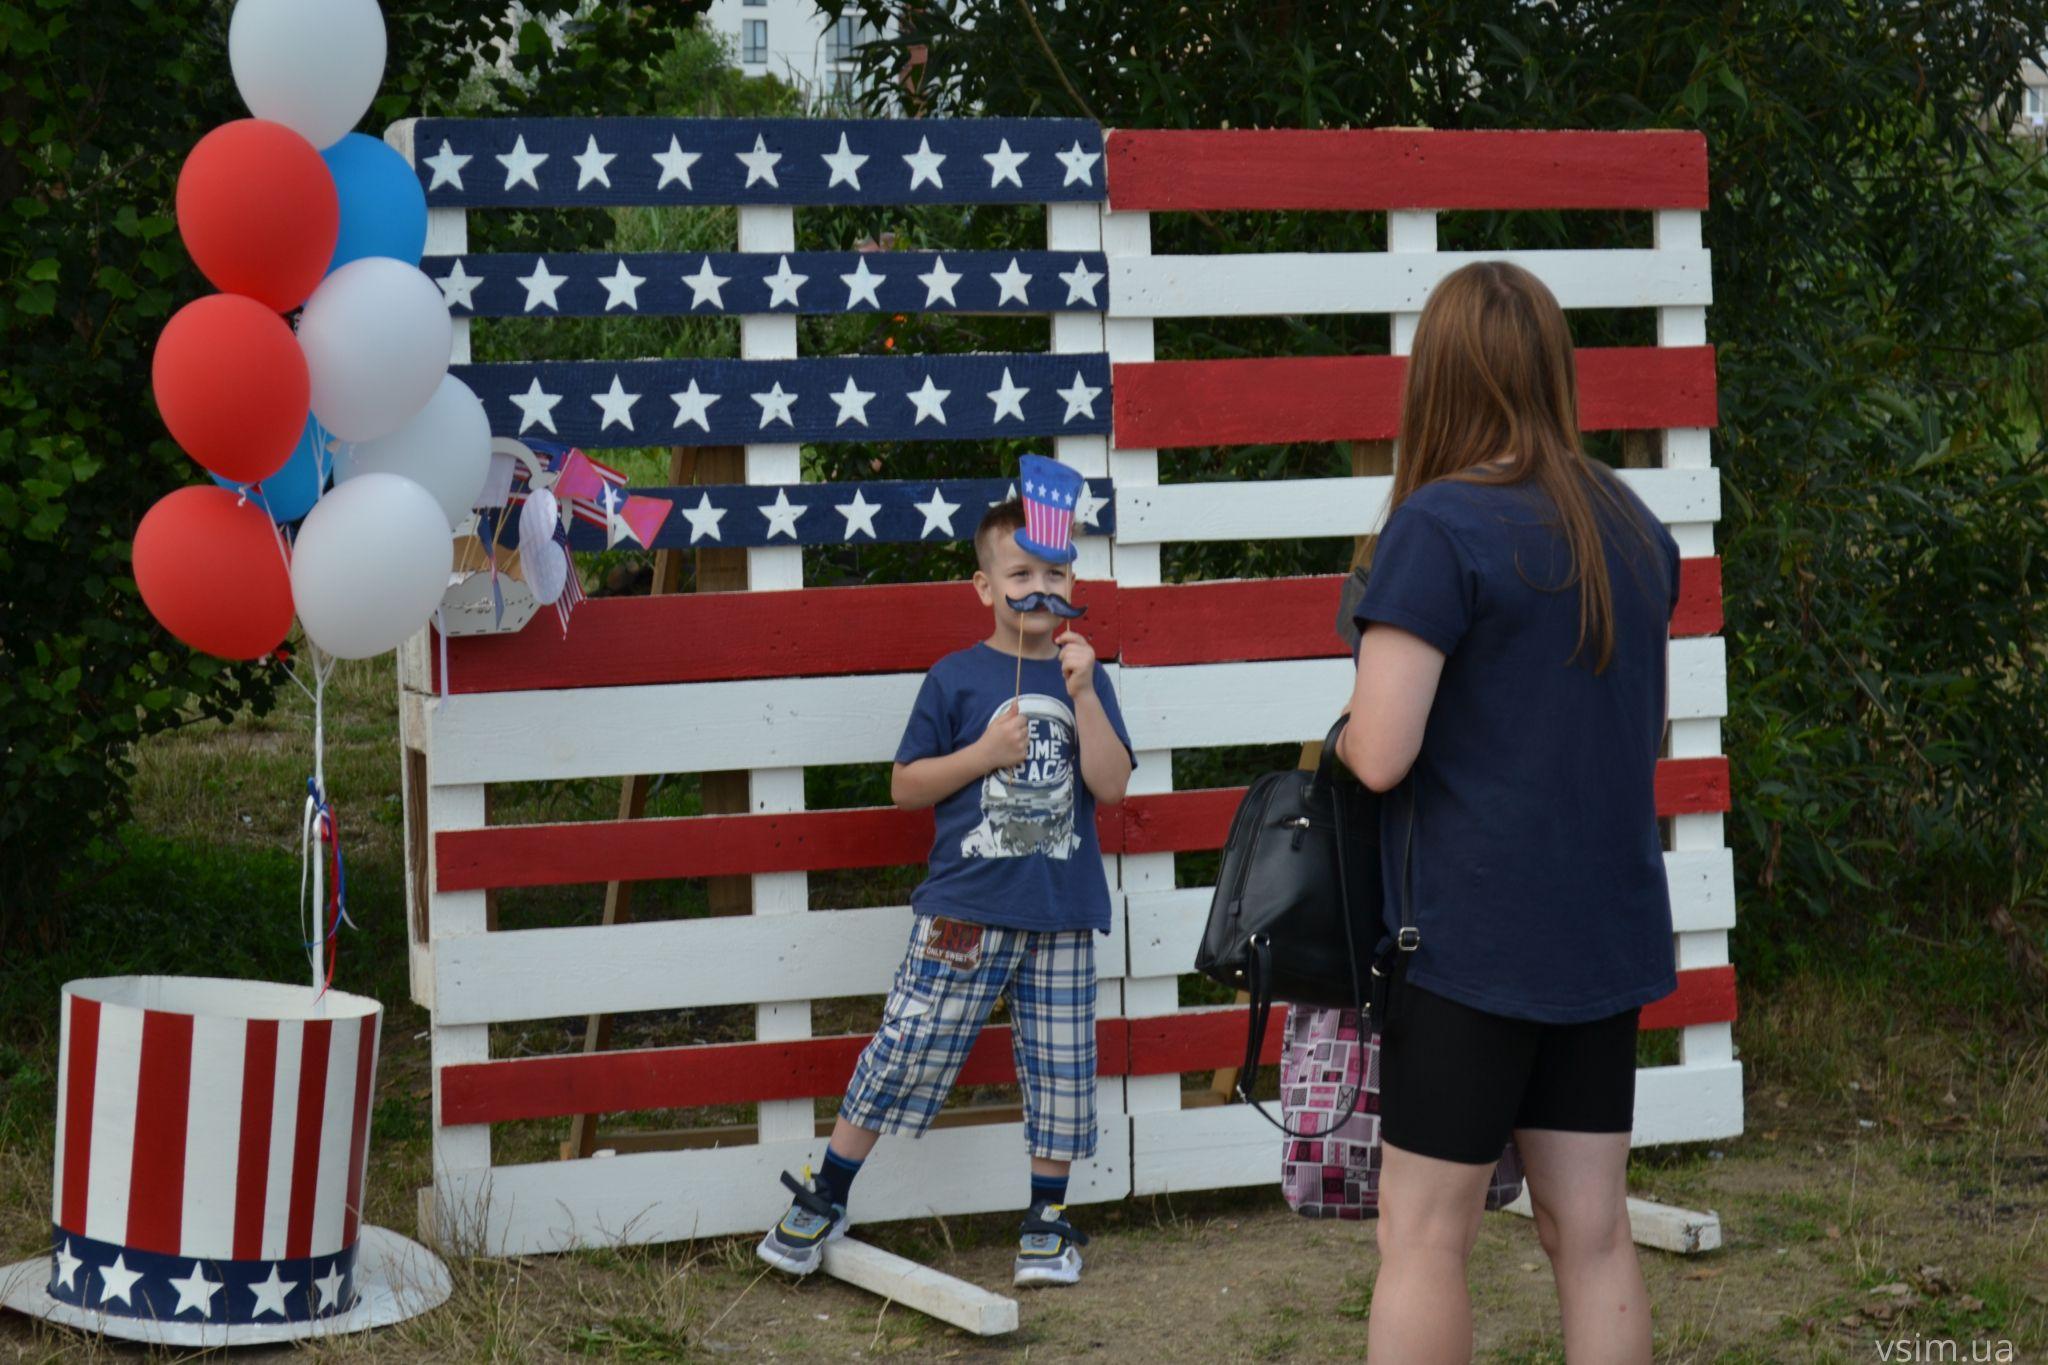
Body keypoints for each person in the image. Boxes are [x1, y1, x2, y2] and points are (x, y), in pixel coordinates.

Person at [1335, 260, 1680, 1365]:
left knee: (1423, 1236)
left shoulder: (1437, 528)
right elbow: (1648, 736)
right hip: (1603, 927)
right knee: (1590, 1231)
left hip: (1468, 940)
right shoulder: (1630, 525)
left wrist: (1336, 739)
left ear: (1435, 375)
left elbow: (1378, 756)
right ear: (1548, 368)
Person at [757, 493, 1136, 1289]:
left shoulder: (1086, 678)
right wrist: (985, 753)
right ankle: (827, 1191)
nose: (1040, 587)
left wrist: (1088, 694)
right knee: (908, 1043)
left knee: (1062, 1065)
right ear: (984, 586)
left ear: (1075, 582)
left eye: (1056, 571)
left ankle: (1046, 1217)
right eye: (1021, 571)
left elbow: (1112, 783)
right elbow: (904, 784)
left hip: (1061, 911)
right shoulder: (956, 677)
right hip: (964, 910)